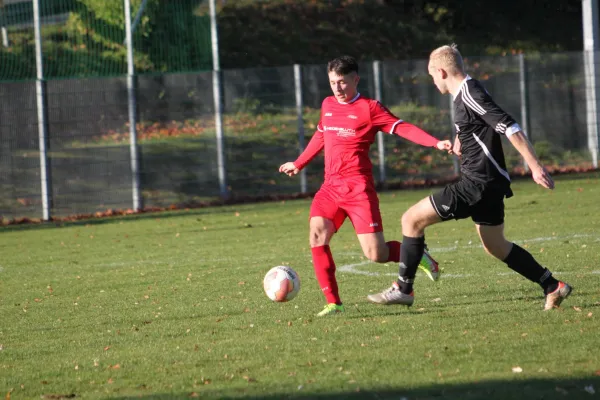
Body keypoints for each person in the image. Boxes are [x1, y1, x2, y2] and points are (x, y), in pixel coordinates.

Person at [367, 44, 572, 311]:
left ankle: (403, 289)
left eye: (431, 75)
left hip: (477, 182)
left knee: (411, 220)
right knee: (495, 245)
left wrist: (535, 166)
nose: (431, 81)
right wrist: (459, 140)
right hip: (490, 184)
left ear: (441, 71)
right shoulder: (466, 92)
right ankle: (552, 286)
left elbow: (510, 127)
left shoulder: (469, 93)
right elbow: (474, 123)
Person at [279, 55, 453, 317]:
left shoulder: (369, 108)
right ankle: (334, 303)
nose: (337, 89)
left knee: (377, 253)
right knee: (317, 235)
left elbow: (401, 127)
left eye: (342, 82)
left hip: (359, 190)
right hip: (330, 188)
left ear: (355, 79)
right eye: (332, 82)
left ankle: (420, 257)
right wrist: (299, 163)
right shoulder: (327, 104)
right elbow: (321, 134)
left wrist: (434, 143)